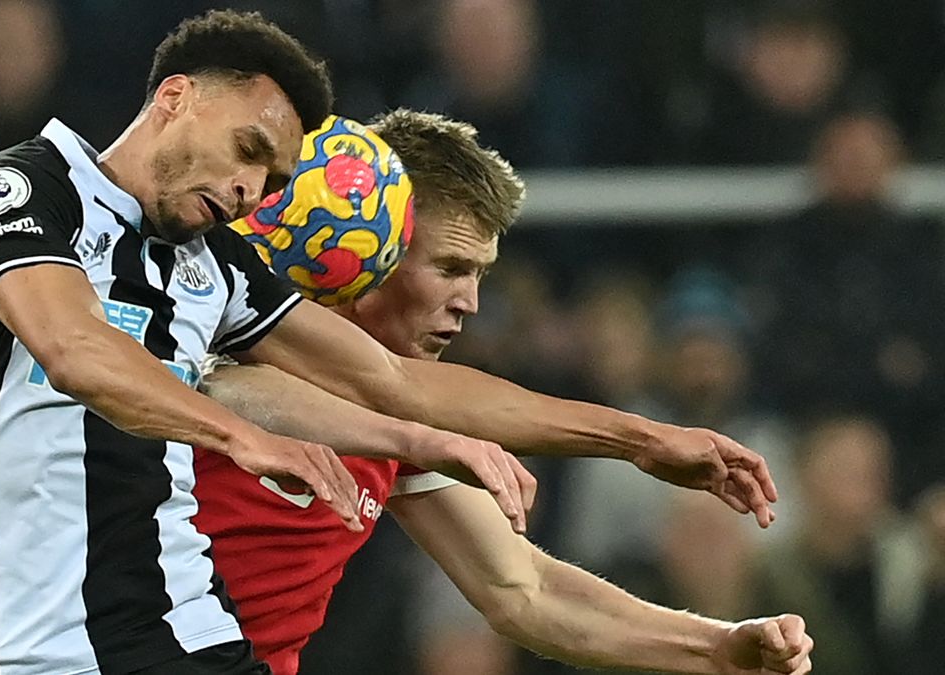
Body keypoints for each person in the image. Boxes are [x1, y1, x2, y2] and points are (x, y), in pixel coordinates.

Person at [0, 10, 775, 675]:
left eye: (272, 179)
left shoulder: (217, 277)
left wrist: (647, 448)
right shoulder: (30, 200)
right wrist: (256, 436)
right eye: (448, 265)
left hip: (185, 645)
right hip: (46, 642)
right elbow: (108, 359)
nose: (470, 302)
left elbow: (515, 574)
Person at [195, 110, 812, 675]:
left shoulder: (415, 418)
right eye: (450, 268)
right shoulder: (210, 325)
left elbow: (522, 591)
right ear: (367, 248)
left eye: (481, 274)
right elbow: (367, 389)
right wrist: (640, 438)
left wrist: (717, 648)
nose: (471, 303)